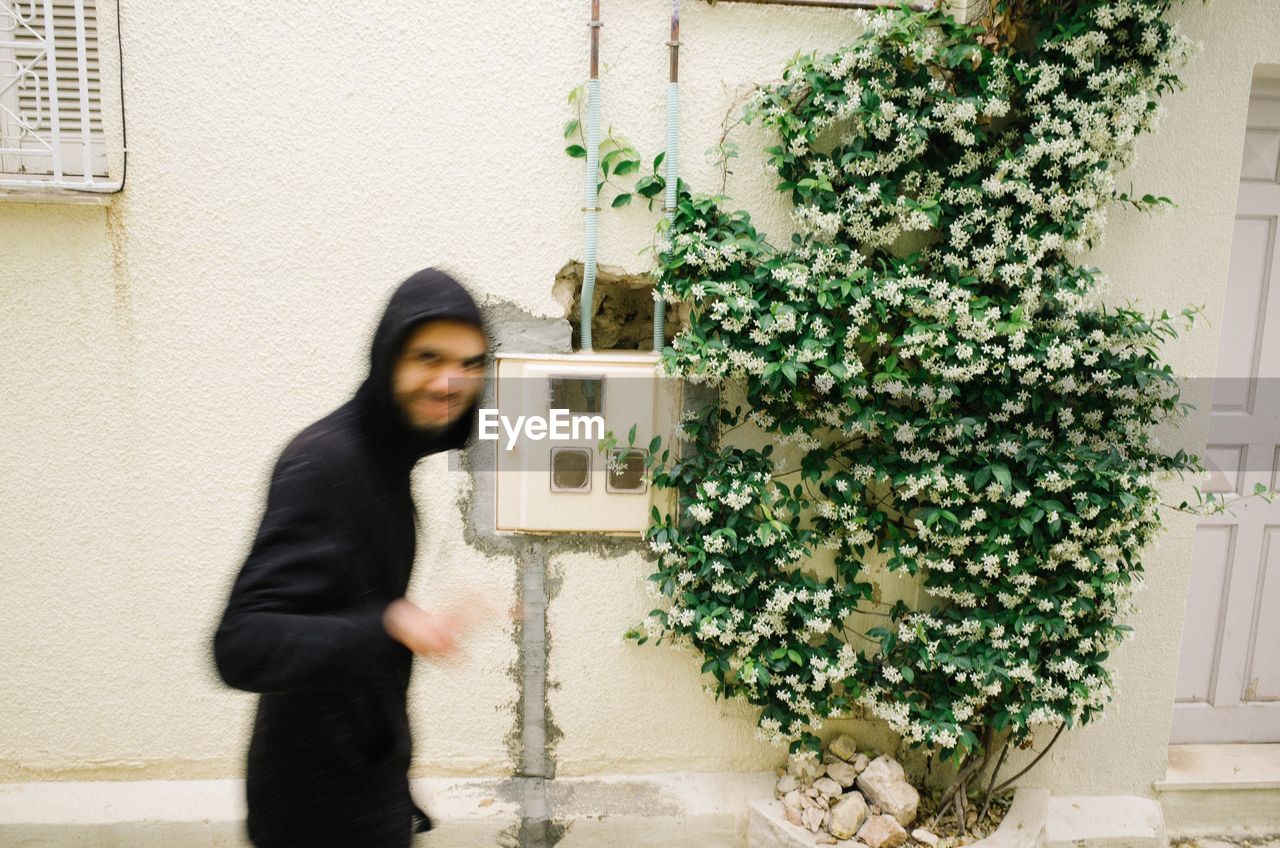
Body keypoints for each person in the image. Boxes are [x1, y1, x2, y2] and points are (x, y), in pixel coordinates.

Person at [213, 267, 490, 848]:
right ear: (388, 357)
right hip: (313, 817)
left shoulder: (387, 461)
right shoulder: (324, 465)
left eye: (469, 364)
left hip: (368, 788)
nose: (450, 382)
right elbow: (240, 645)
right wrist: (390, 625)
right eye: (428, 357)